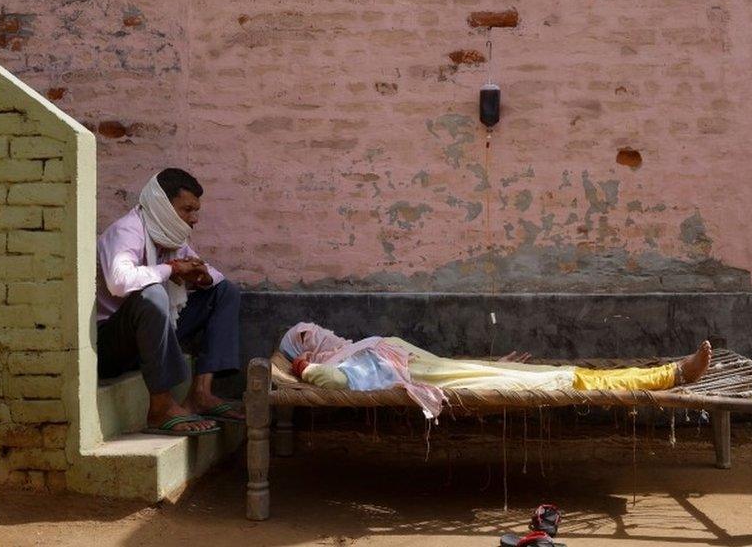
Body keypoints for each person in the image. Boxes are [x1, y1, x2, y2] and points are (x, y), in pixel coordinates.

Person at [280, 322, 713, 420]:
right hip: (460, 383)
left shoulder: (358, 346)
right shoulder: (345, 363)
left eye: (312, 326)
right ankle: (672, 375)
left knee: (566, 371)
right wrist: (304, 370)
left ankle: (671, 372)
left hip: (464, 371)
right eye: (306, 335)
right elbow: (337, 382)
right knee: (572, 378)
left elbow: (436, 362)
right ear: (306, 351)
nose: (319, 330)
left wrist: (490, 364)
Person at [96, 168, 244, 436]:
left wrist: (200, 278)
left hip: (152, 336)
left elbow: (209, 272)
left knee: (224, 291)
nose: (194, 219)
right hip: (111, 345)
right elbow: (119, 281)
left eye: (195, 211)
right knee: (153, 294)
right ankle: (161, 407)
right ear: (162, 206)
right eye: (187, 210)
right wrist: (172, 270)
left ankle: (201, 393)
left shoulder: (170, 236)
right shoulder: (127, 231)